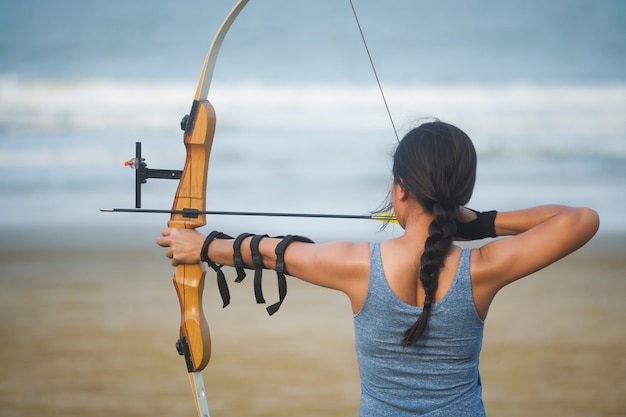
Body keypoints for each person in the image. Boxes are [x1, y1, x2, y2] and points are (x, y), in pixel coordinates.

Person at [157, 120, 599, 416]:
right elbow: (581, 219)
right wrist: (478, 222)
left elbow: (270, 252)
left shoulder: (355, 265)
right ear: (459, 193)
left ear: (401, 190)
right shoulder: (482, 268)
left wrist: (199, 246)